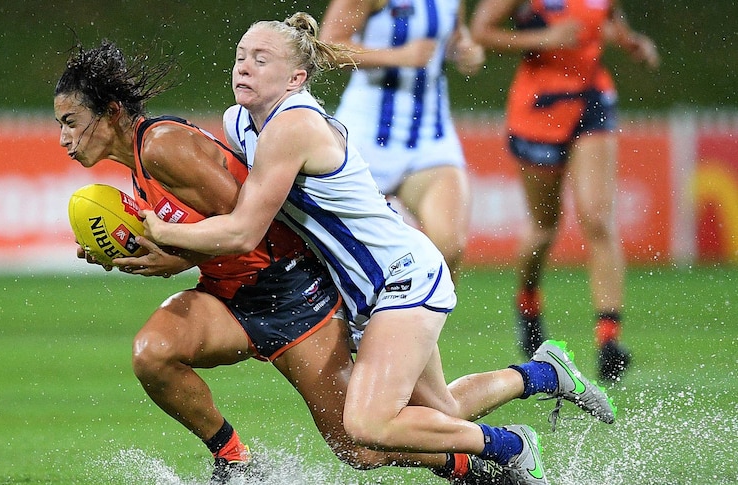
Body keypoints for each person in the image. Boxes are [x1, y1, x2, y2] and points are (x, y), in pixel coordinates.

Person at [53, 39, 606, 485]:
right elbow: (220, 231)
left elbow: (248, 228)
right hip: (257, 292)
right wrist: (150, 254)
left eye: (72, 121)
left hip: (318, 288)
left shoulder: (169, 145)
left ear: (113, 112)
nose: (64, 138)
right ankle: (235, 463)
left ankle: (496, 453)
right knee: (156, 352)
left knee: (364, 440)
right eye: (239, 56)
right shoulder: (222, 131)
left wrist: (163, 243)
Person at [469, 0, 659, 381]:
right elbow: (480, 32)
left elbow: (606, 17)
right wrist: (545, 37)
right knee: (544, 226)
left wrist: (629, 39)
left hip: (591, 98)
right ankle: (527, 302)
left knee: (597, 218)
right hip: (538, 108)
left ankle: (609, 340)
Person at [318, 0, 484, 283]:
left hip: (431, 136)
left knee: (448, 248)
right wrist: (397, 56)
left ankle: (417, 327)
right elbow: (327, 48)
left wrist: (466, 51)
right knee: (342, 255)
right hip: (364, 139)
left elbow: (455, 35)